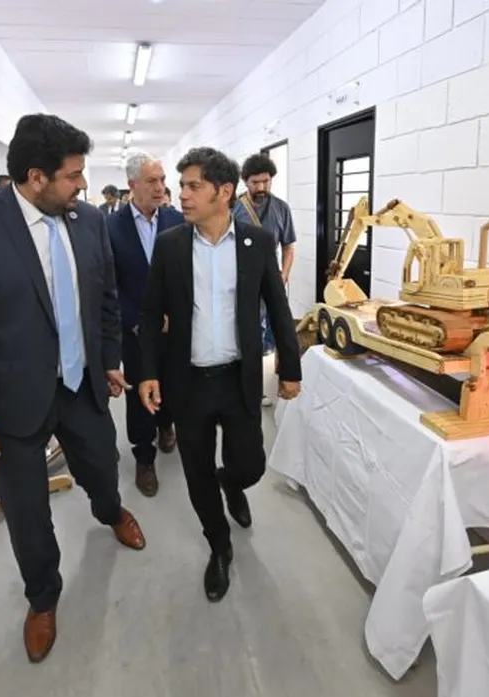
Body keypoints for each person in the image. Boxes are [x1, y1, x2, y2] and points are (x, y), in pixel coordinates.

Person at [0, 113, 146, 664]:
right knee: (27, 514)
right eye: (72, 175)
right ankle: (43, 598)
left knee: (103, 466)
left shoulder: (88, 220)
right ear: (35, 176)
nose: (83, 185)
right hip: (12, 403)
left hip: (81, 386)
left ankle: (111, 511)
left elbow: (104, 298)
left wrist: (109, 359)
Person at [137, 147, 302, 601]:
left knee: (250, 464)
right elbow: (150, 313)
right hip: (188, 382)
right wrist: (148, 371)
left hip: (238, 378)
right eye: (181, 186)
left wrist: (290, 367)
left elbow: (278, 308)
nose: (182, 195)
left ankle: (233, 482)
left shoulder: (256, 243)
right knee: (196, 473)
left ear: (223, 192)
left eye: (194, 186)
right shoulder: (170, 245)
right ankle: (220, 546)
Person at [105, 152, 185, 496]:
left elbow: (186, 274)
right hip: (134, 328)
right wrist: (137, 320)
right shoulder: (110, 227)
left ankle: (166, 424)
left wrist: (175, 313)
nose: (160, 187)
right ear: (132, 185)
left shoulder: (177, 221)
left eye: (162, 180)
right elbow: (109, 285)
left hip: (173, 327)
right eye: (152, 181)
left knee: (171, 382)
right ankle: (143, 456)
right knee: (139, 391)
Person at [232, 153, 297, 405]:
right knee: (244, 335)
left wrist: (283, 275)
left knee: (272, 333)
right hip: (240, 282)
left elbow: (288, 246)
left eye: (265, 181)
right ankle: (239, 390)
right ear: (245, 182)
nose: (261, 187)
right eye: (255, 182)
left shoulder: (281, 208)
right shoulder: (234, 208)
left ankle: (259, 388)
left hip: (272, 281)